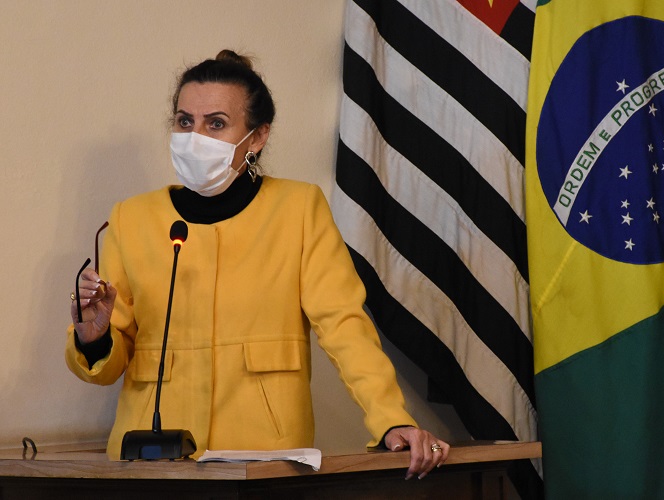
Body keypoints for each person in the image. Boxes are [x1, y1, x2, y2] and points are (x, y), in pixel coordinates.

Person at [66, 49, 449, 479]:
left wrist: (391, 418)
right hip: (151, 464)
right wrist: (93, 338)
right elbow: (108, 364)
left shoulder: (298, 209)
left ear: (258, 137)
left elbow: (344, 326)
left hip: (264, 461)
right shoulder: (131, 218)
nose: (195, 136)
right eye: (185, 122)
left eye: (215, 123)